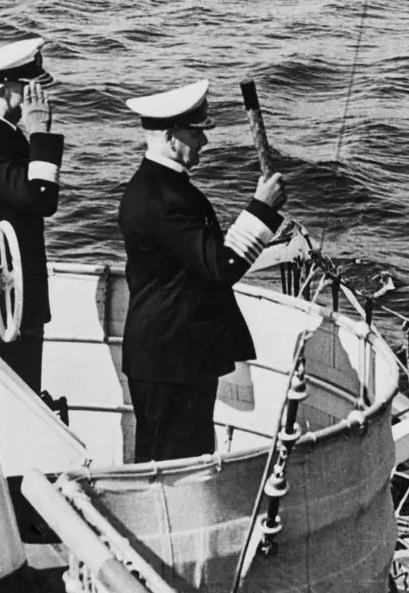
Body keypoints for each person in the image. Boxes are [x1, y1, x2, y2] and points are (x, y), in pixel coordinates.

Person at [118, 79, 286, 463]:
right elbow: (222, 267)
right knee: (175, 468)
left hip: (173, 355)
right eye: (196, 133)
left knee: (177, 460)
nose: (204, 141)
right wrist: (261, 209)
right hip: (171, 360)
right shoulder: (164, 198)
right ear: (170, 136)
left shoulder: (160, 187)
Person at [0, 37, 64, 394]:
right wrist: (40, 134)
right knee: (16, 394)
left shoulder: (2, 134)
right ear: (4, 92)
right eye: (29, 90)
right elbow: (41, 200)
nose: (38, 100)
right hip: (4, 305)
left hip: (17, 297)